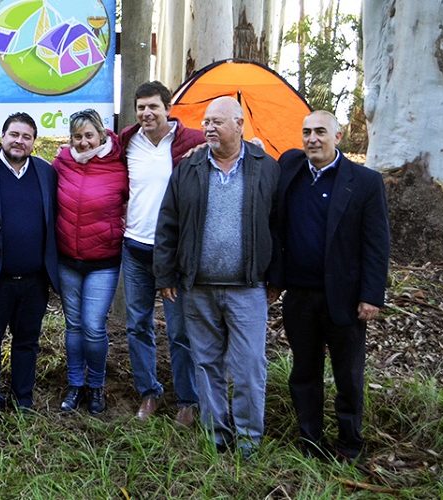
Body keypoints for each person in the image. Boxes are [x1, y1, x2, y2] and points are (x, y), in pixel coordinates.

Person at [154, 96, 279, 457]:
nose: (208, 127)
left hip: (247, 288)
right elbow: (168, 224)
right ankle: (216, 435)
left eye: (217, 122)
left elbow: (278, 225)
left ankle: (249, 439)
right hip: (199, 287)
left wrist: (275, 278)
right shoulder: (189, 167)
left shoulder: (264, 167)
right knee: (206, 364)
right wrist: (166, 275)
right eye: (206, 121)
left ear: (240, 125)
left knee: (250, 365)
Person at [269, 110, 390, 461]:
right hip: (300, 296)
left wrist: (371, 294)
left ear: (338, 137)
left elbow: (377, 243)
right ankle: (310, 440)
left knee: (348, 375)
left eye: (321, 132)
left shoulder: (365, 182)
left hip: (346, 298)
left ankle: (350, 443)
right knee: (304, 372)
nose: (312, 139)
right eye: (306, 132)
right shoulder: (290, 168)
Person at [117, 81, 204, 424]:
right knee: (137, 325)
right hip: (135, 247)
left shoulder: (191, 142)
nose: (146, 113)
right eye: (141, 107)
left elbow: (231, 150)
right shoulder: (127, 140)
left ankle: (187, 399)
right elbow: (94, 153)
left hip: (175, 252)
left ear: (169, 108)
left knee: (179, 329)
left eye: (153, 106)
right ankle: (149, 392)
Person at [0, 112, 60, 421]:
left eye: (26, 136)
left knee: (27, 343)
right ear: (3, 136)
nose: (19, 141)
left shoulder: (46, 173)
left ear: (34, 143)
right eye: (14, 134)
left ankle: (23, 398)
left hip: (34, 279)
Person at [52, 108, 128, 415]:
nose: (83, 142)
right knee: (73, 327)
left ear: (101, 134)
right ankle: (75, 384)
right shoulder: (61, 163)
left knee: (94, 327)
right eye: (77, 136)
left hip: (103, 262)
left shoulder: (119, 165)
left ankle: (96, 386)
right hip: (68, 259)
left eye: (88, 135)